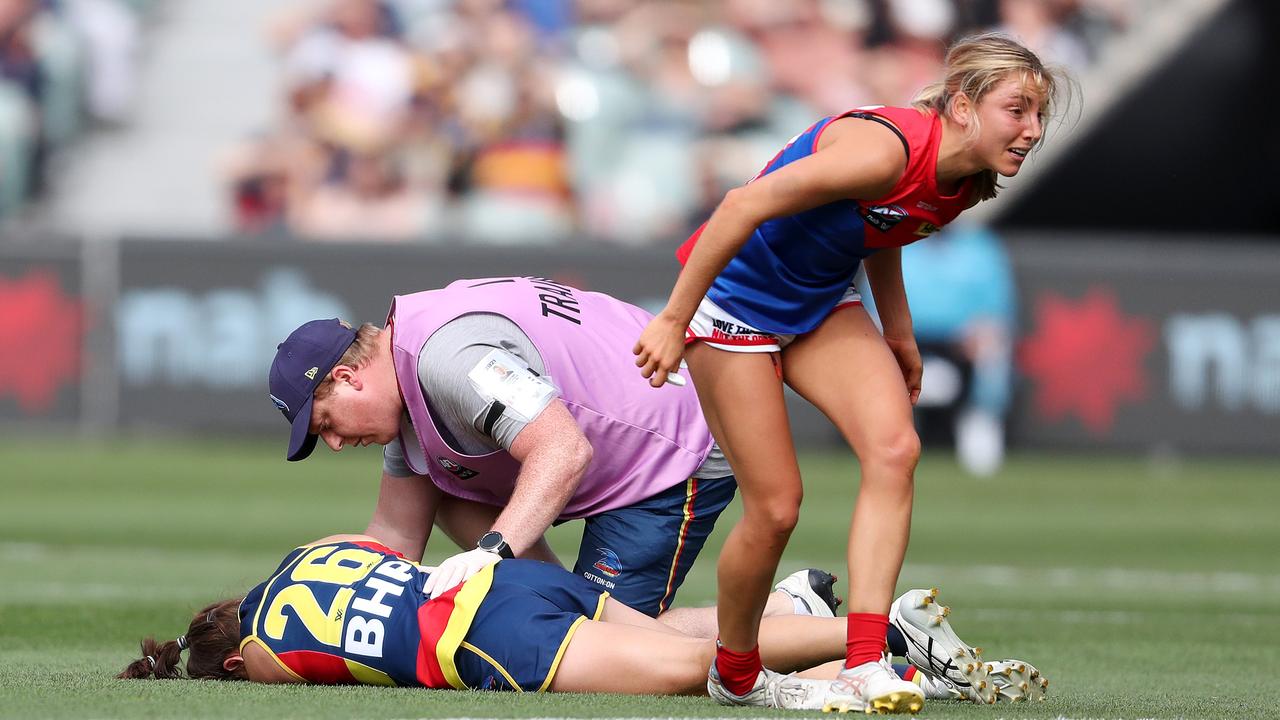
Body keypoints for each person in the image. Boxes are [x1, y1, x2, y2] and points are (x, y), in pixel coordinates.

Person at [632, 33, 1067, 713]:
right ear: (961, 104)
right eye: (1018, 110)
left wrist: (899, 332)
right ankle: (737, 673)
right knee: (776, 510)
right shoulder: (882, 147)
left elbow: (884, 229)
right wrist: (671, 318)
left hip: (818, 301)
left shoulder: (969, 181)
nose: (1032, 131)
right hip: (732, 308)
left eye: (1039, 115)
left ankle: (864, 663)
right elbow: (742, 205)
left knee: (896, 448)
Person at [267, 276, 833, 636]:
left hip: (673, 441)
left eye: (326, 425)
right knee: (441, 485)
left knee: (603, 642)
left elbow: (563, 451)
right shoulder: (409, 382)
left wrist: (493, 551)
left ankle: (793, 615)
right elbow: (392, 538)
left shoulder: (447, 361)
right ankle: (554, 601)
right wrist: (292, 602)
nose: (336, 444)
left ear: (346, 377)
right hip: (637, 409)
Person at [118, 534, 1048, 708]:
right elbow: (385, 562)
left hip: (484, 645)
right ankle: (872, 633)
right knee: (683, 638)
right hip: (512, 585)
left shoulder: (257, 655)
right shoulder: (307, 551)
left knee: (697, 676)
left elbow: (324, 674)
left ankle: (851, 664)